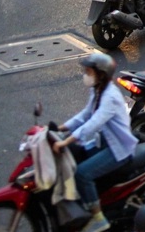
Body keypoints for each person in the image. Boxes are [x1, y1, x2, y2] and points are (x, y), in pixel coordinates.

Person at [54, 52, 137, 232]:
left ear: (101, 74)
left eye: (89, 72)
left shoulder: (111, 97)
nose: (86, 75)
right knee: (76, 156)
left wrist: (66, 140)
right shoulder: (98, 91)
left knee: (82, 173)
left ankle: (99, 219)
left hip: (119, 149)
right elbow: (85, 115)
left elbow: (93, 123)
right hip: (104, 142)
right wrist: (60, 128)